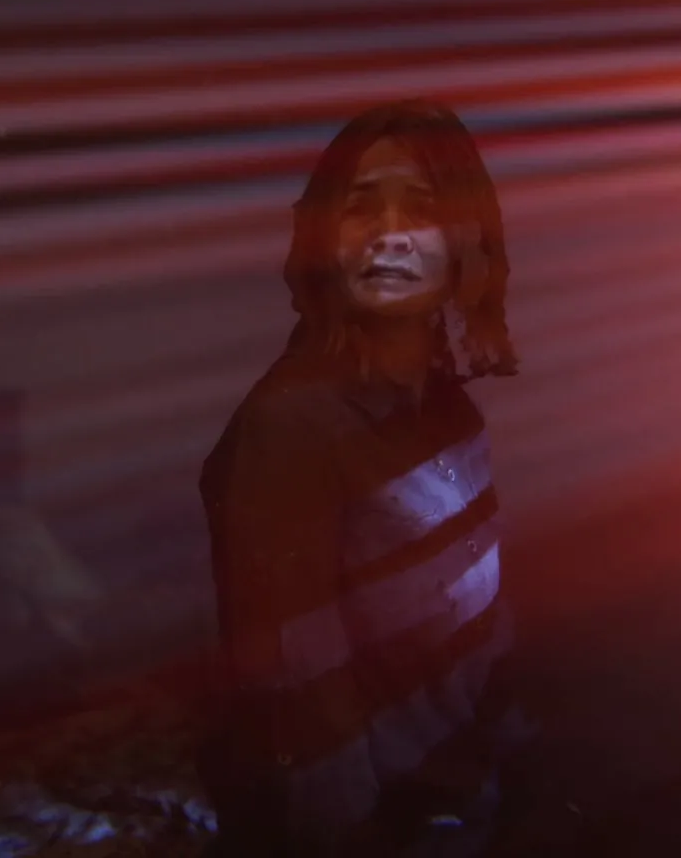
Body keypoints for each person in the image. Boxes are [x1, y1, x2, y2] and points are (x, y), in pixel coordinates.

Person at [197, 99, 534, 857]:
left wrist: (509, 764)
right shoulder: (294, 423)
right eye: (360, 206)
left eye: (421, 205)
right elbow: (304, 691)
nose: (388, 233)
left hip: (465, 791)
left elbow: (481, 625)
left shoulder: (449, 413)